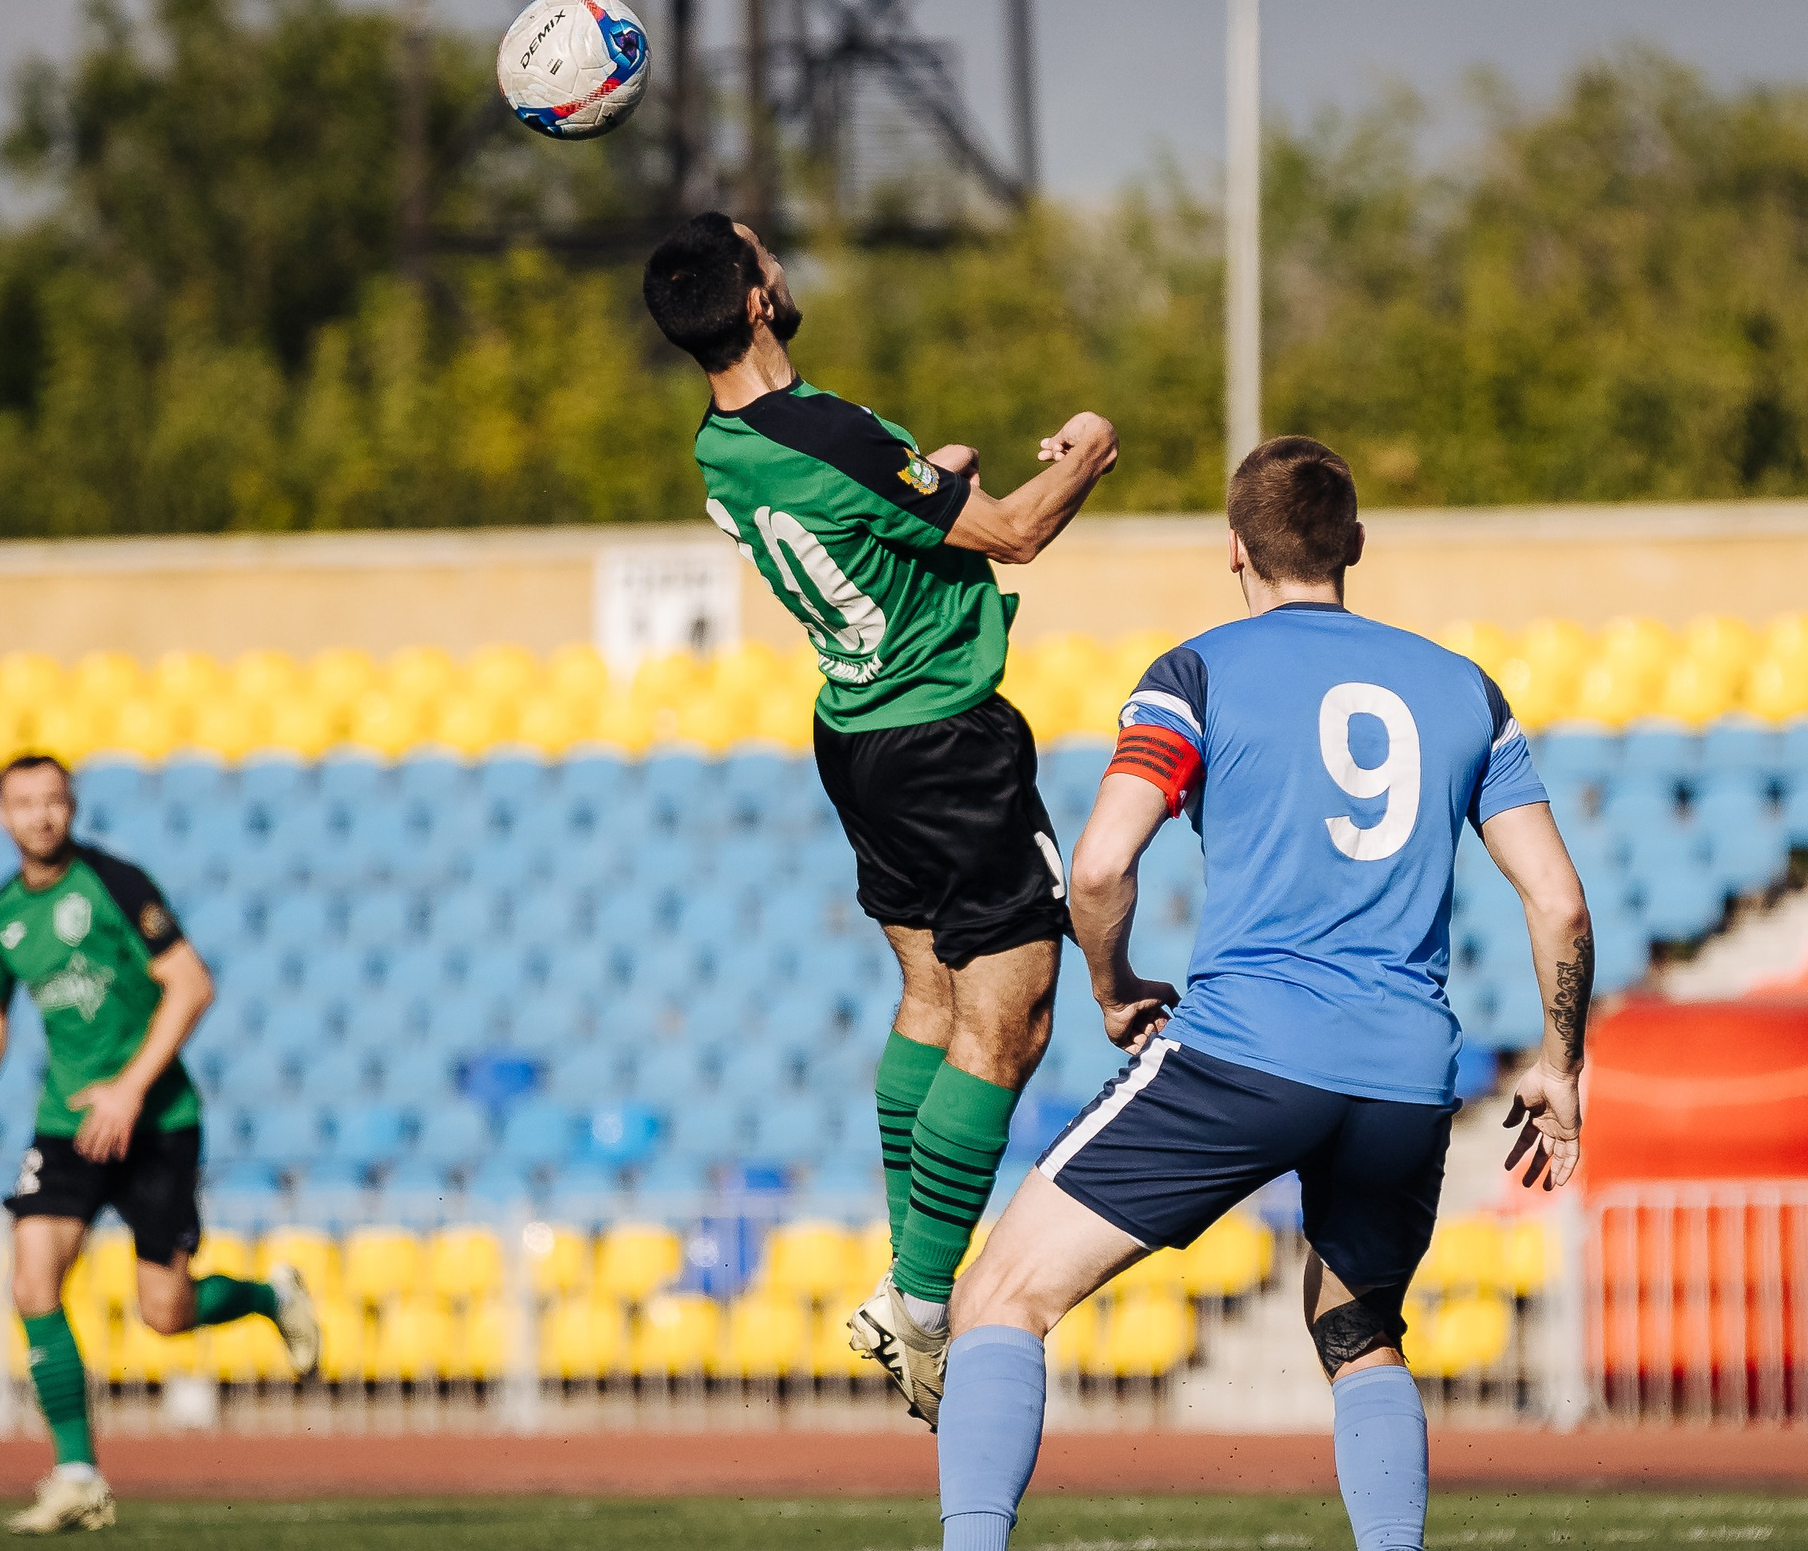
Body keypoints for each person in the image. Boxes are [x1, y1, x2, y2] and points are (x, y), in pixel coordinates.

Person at [933, 437, 1594, 1551]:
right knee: (1356, 1329)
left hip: (1244, 1053)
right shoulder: (1462, 686)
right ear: (1356, 545)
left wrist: (1110, 983)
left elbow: (1097, 866)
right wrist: (1560, 1062)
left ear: (1231, 548)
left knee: (1001, 1292)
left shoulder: (1196, 670)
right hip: (1401, 1075)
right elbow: (1560, 902)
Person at [641, 213, 1120, 1423]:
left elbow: (864, 514)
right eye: (766, 254)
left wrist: (928, 475)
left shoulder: (724, 444)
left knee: (928, 998)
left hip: (855, 735)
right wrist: (1088, 453)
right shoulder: (830, 430)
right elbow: (1010, 533)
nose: (781, 263)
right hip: (946, 739)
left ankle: (902, 1282)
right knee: (1007, 1022)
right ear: (754, 301)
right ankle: (915, 1301)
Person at [0, 755, 320, 1536]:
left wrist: (129, 1088)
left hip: (157, 1123)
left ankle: (268, 1298)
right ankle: (78, 1475)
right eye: (23, 803)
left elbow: (192, 983)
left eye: (53, 800)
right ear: (1, 817)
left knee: (166, 1311)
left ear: (71, 806)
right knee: (32, 1280)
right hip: (68, 1125)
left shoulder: (118, 884)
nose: (41, 816)